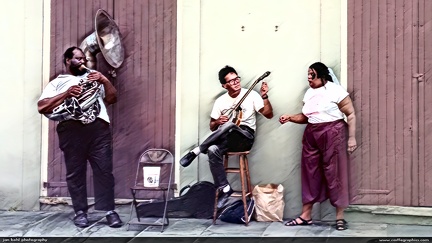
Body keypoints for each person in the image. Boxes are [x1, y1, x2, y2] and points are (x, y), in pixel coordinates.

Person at [37, 46, 122, 228]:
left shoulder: (94, 77)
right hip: (71, 130)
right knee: (75, 173)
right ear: (68, 60)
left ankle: (109, 211)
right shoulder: (57, 82)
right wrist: (67, 93)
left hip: (98, 129)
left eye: (84, 58)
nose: (83, 62)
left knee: (104, 171)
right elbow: (42, 107)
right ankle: (80, 212)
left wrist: (105, 80)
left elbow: (113, 99)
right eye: (78, 59)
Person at [180, 65, 273, 208]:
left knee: (230, 125)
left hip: (245, 137)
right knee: (212, 149)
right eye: (231, 81)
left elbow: (269, 114)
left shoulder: (251, 95)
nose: (236, 82)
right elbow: (212, 126)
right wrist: (218, 121)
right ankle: (225, 188)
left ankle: (197, 151)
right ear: (224, 85)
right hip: (227, 140)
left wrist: (265, 96)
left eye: (237, 79)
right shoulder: (220, 101)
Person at [279, 62, 357, 231]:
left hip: (333, 133)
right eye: (308, 74)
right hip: (311, 134)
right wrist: (290, 117)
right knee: (310, 172)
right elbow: (307, 116)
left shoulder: (336, 91)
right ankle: (306, 216)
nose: (309, 77)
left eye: (312, 74)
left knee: (335, 172)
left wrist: (352, 138)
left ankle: (339, 217)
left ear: (322, 75)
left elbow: (350, 114)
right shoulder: (308, 93)